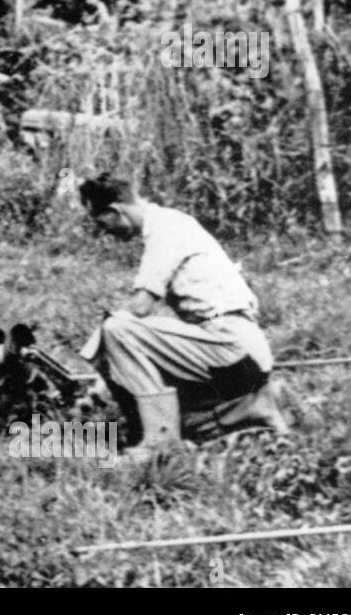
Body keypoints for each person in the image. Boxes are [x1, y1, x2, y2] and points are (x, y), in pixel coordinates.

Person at [76, 173, 287, 454]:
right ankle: (253, 407)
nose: (105, 232)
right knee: (187, 423)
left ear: (116, 211)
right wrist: (104, 376)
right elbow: (153, 332)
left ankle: (161, 441)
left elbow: (140, 308)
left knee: (116, 328)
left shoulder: (166, 229)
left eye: (103, 224)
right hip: (233, 356)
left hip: (233, 348)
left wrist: (102, 343)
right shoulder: (170, 224)